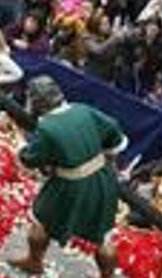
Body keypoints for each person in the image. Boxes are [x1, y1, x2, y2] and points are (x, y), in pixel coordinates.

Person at [16, 75, 129, 251]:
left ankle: (34, 262)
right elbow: (114, 132)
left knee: (39, 220)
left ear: (36, 102)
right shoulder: (82, 109)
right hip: (104, 178)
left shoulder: (48, 128)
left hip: (71, 186)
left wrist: (19, 141)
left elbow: (29, 159)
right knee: (104, 234)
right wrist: (106, 158)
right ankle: (105, 277)